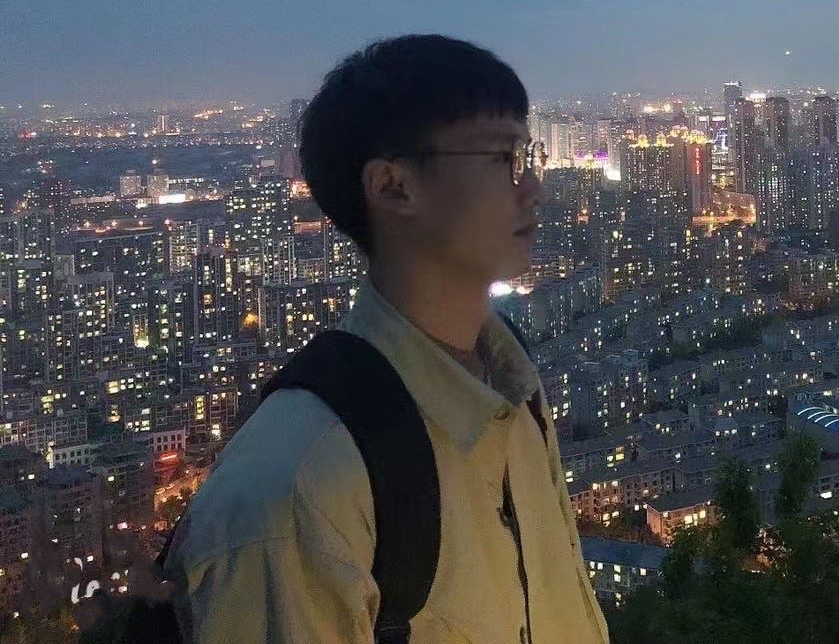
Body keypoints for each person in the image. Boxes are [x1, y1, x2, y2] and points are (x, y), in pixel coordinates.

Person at [164, 35, 609, 643]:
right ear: (393, 186)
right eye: (505, 159)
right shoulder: (298, 491)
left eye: (530, 156)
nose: (535, 188)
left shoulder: (511, 383)